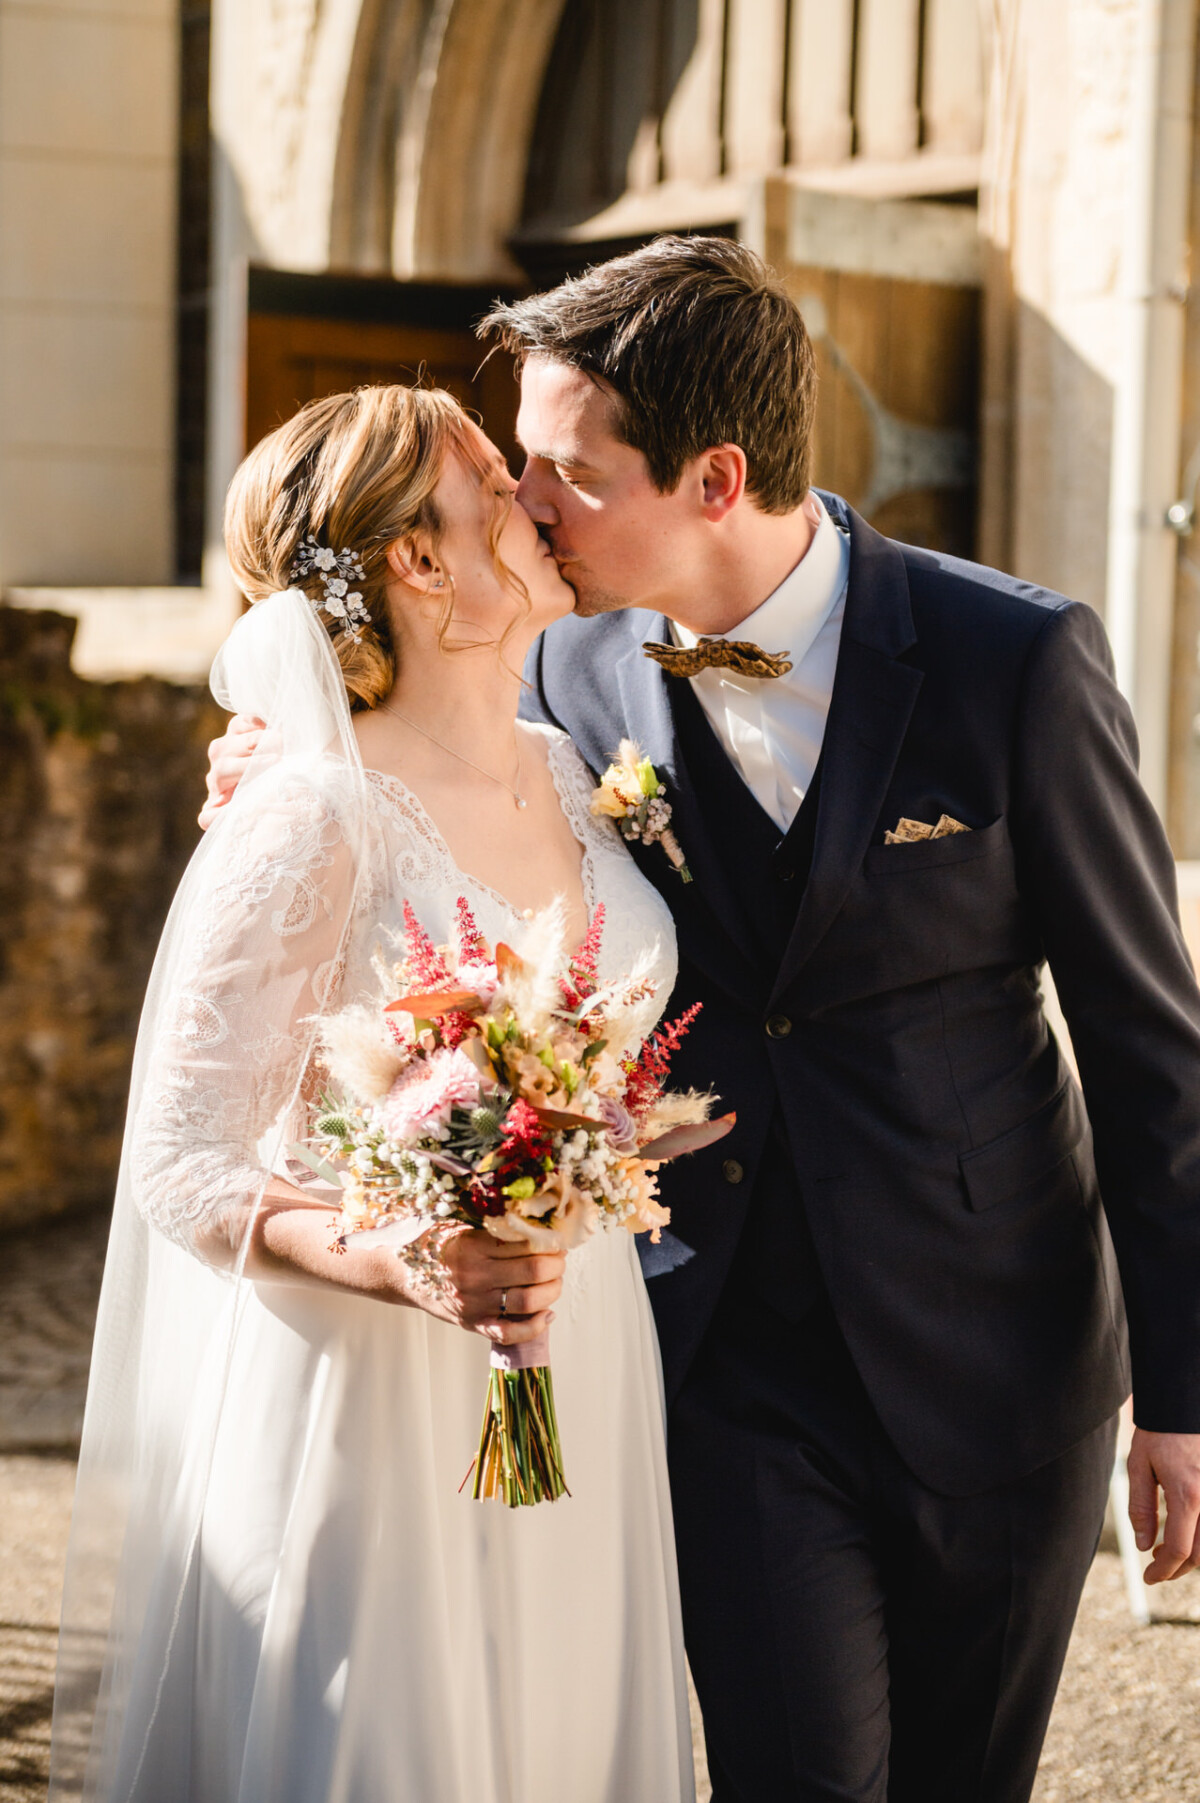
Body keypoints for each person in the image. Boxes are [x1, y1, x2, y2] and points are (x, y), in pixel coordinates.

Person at [203, 238, 1200, 1803]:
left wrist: (1186, 1394)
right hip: (723, 1362)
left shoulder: (1013, 658)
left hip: (1000, 1355)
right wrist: (275, 764)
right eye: (520, 469)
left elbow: (1153, 1051)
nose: (527, 507)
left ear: (716, 475)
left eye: (567, 473)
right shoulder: (564, 665)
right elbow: (409, 768)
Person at [50, 384, 695, 1803]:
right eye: (491, 471)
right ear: (415, 558)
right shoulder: (305, 811)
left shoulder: (576, 763)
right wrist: (407, 1257)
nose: (534, 494)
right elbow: (181, 1156)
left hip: (577, 1344)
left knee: (560, 1733)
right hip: (371, 1385)